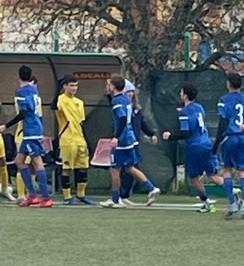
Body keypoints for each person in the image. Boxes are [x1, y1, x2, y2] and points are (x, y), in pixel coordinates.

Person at [100, 75, 159, 209]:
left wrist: (116, 137)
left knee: (115, 169)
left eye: (109, 85)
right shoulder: (125, 100)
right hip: (129, 138)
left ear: (113, 87)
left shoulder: (117, 101)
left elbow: (122, 118)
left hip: (122, 140)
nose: (107, 87)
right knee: (129, 167)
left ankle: (116, 199)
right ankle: (151, 188)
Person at [0, 65, 53, 207]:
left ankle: (46, 198)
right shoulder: (34, 89)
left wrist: (6, 126)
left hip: (30, 129)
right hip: (34, 128)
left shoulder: (21, 91)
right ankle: (32, 196)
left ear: (18, 76)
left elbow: (24, 112)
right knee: (19, 161)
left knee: (37, 162)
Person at [162, 83, 218, 213]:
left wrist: (170, 136)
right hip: (206, 142)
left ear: (185, 96)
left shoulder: (184, 112)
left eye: (181, 92)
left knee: (194, 177)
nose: (180, 94)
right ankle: (233, 191)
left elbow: (185, 133)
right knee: (212, 175)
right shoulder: (200, 107)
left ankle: (207, 202)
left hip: (194, 146)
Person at [216, 72, 244, 219]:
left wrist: (217, 141)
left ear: (228, 84)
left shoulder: (224, 100)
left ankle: (232, 203)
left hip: (230, 137)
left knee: (227, 169)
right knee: (243, 170)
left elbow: (223, 121)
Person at [55, 75, 93, 205]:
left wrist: (87, 140)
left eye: (76, 85)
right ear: (65, 86)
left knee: (83, 167)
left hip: (80, 139)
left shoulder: (79, 102)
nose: (74, 88)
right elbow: (54, 107)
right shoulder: (61, 99)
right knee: (66, 168)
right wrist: (57, 89)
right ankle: (67, 197)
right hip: (67, 139)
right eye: (71, 85)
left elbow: (81, 122)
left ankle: (81, 195)